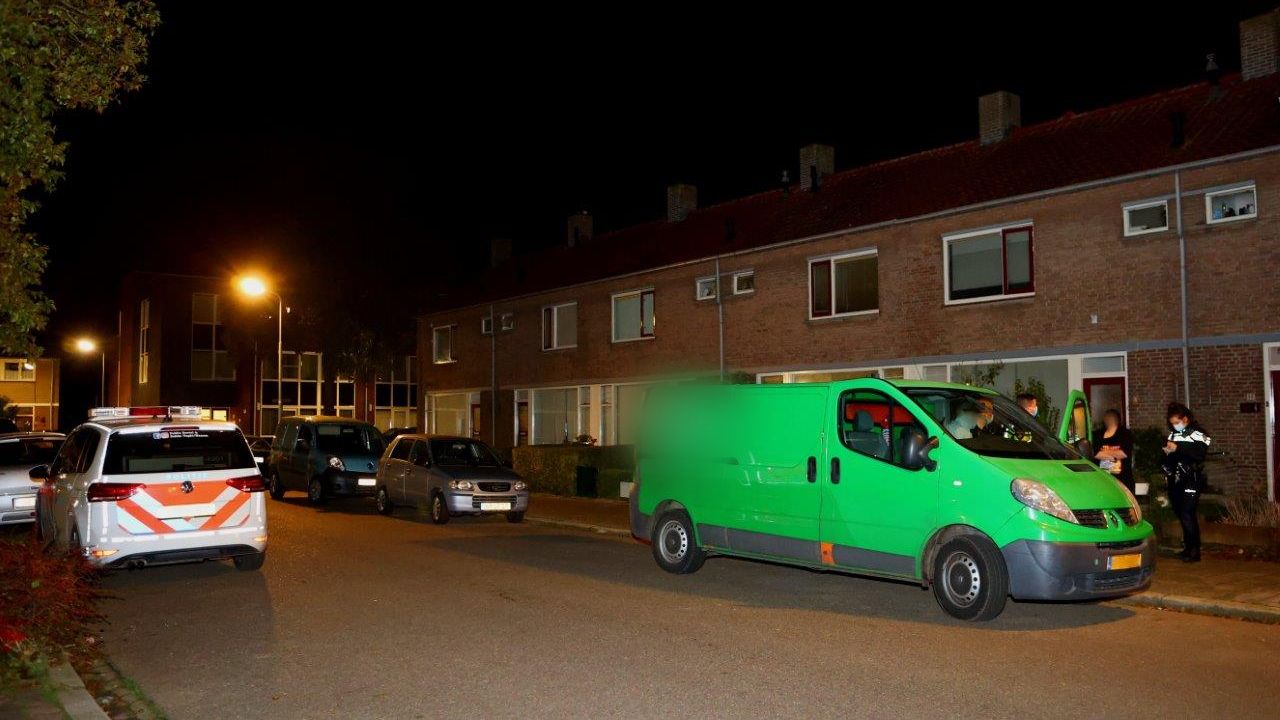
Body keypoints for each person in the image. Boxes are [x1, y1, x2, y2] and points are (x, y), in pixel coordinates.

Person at [1162, 402, 1210, 563]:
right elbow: (1168, 458)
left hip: (1191, 478)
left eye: (1177, 422)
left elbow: (1199, 453)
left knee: (1187, 514)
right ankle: (1188, 548)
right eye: (1172, 423)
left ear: (1186, 419)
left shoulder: (1199, 433)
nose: (1175, 426)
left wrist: (1178, 449)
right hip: (1175, 480)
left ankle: (1195, 551)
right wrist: (1167, 455)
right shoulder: (1172, 435)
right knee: (1181, 514)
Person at [1094, 409, 1135, 493]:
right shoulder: (1097, 435)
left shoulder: (1125, 434)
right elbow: (1095, 454)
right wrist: (1114, 455)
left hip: (1123, 481)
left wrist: (1103, 453)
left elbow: (1124, 453)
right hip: (1103, 480)